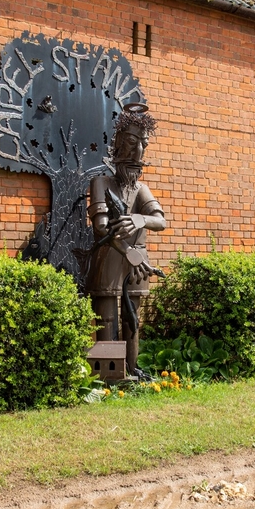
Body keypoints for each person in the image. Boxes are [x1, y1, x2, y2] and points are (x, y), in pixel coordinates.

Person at [86, 105, 166, 373]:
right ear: (118, 146)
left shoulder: (141, 189)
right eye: (131, 143)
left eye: (143, 145)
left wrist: (140, 219)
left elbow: (160, 221)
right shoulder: (101, 183)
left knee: (133, 318)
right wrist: (131, 252)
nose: (138, 153)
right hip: (111, 257)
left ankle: (132, 369)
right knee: (106, 316)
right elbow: (101, 228)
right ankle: (108, 373)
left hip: (138, 260)